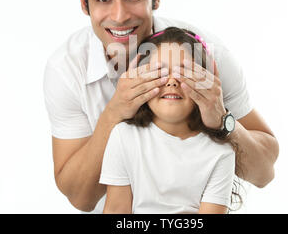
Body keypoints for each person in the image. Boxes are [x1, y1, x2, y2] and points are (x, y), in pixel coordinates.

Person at [43, 0, 279, 213]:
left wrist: (222, 119)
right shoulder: (67, 70)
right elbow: (81, 199)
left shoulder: (205, 55)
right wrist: (114, 113)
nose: (119, 16)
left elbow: (264, 173)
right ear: (85, 3)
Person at [100, 27, 239, 214]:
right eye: (159, 71)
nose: (172, 81)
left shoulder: (221, 153)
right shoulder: (123, 137)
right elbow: (116, 211)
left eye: (184, 72)